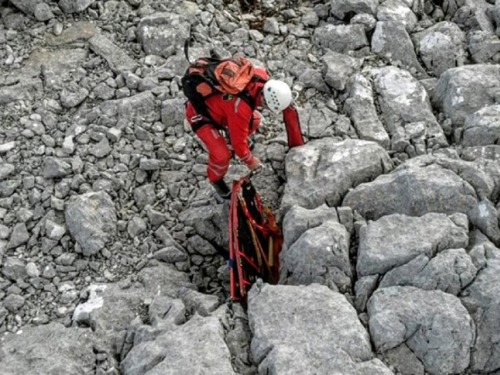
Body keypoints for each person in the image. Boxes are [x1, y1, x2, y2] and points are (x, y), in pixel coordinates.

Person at [185, 66, 304, 199]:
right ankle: (216, 180)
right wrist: (250, 160)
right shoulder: (241, 109)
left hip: (219, 109)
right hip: (200, 116)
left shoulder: (259, 77)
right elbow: (239, 144)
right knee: (222, 155)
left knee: (255, 119)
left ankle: (226, 139)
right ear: (266, 101)